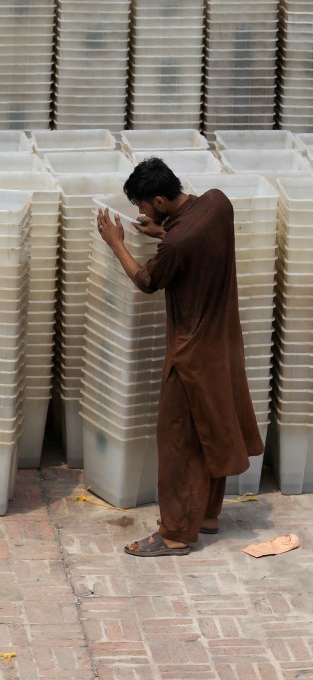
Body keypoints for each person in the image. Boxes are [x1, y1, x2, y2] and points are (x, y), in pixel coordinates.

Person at [96, 157, 263, 557]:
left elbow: (148, 280)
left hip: (191, 353)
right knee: (212, 429)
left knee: (178, 442)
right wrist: (166, 229)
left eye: (142, 206)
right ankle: (205, 515)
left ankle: (174, 534)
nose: (140, 213)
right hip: (224, 342)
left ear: (158, 199)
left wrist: (116, 242)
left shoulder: (175, 243)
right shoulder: (219, 203)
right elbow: (193, 239)